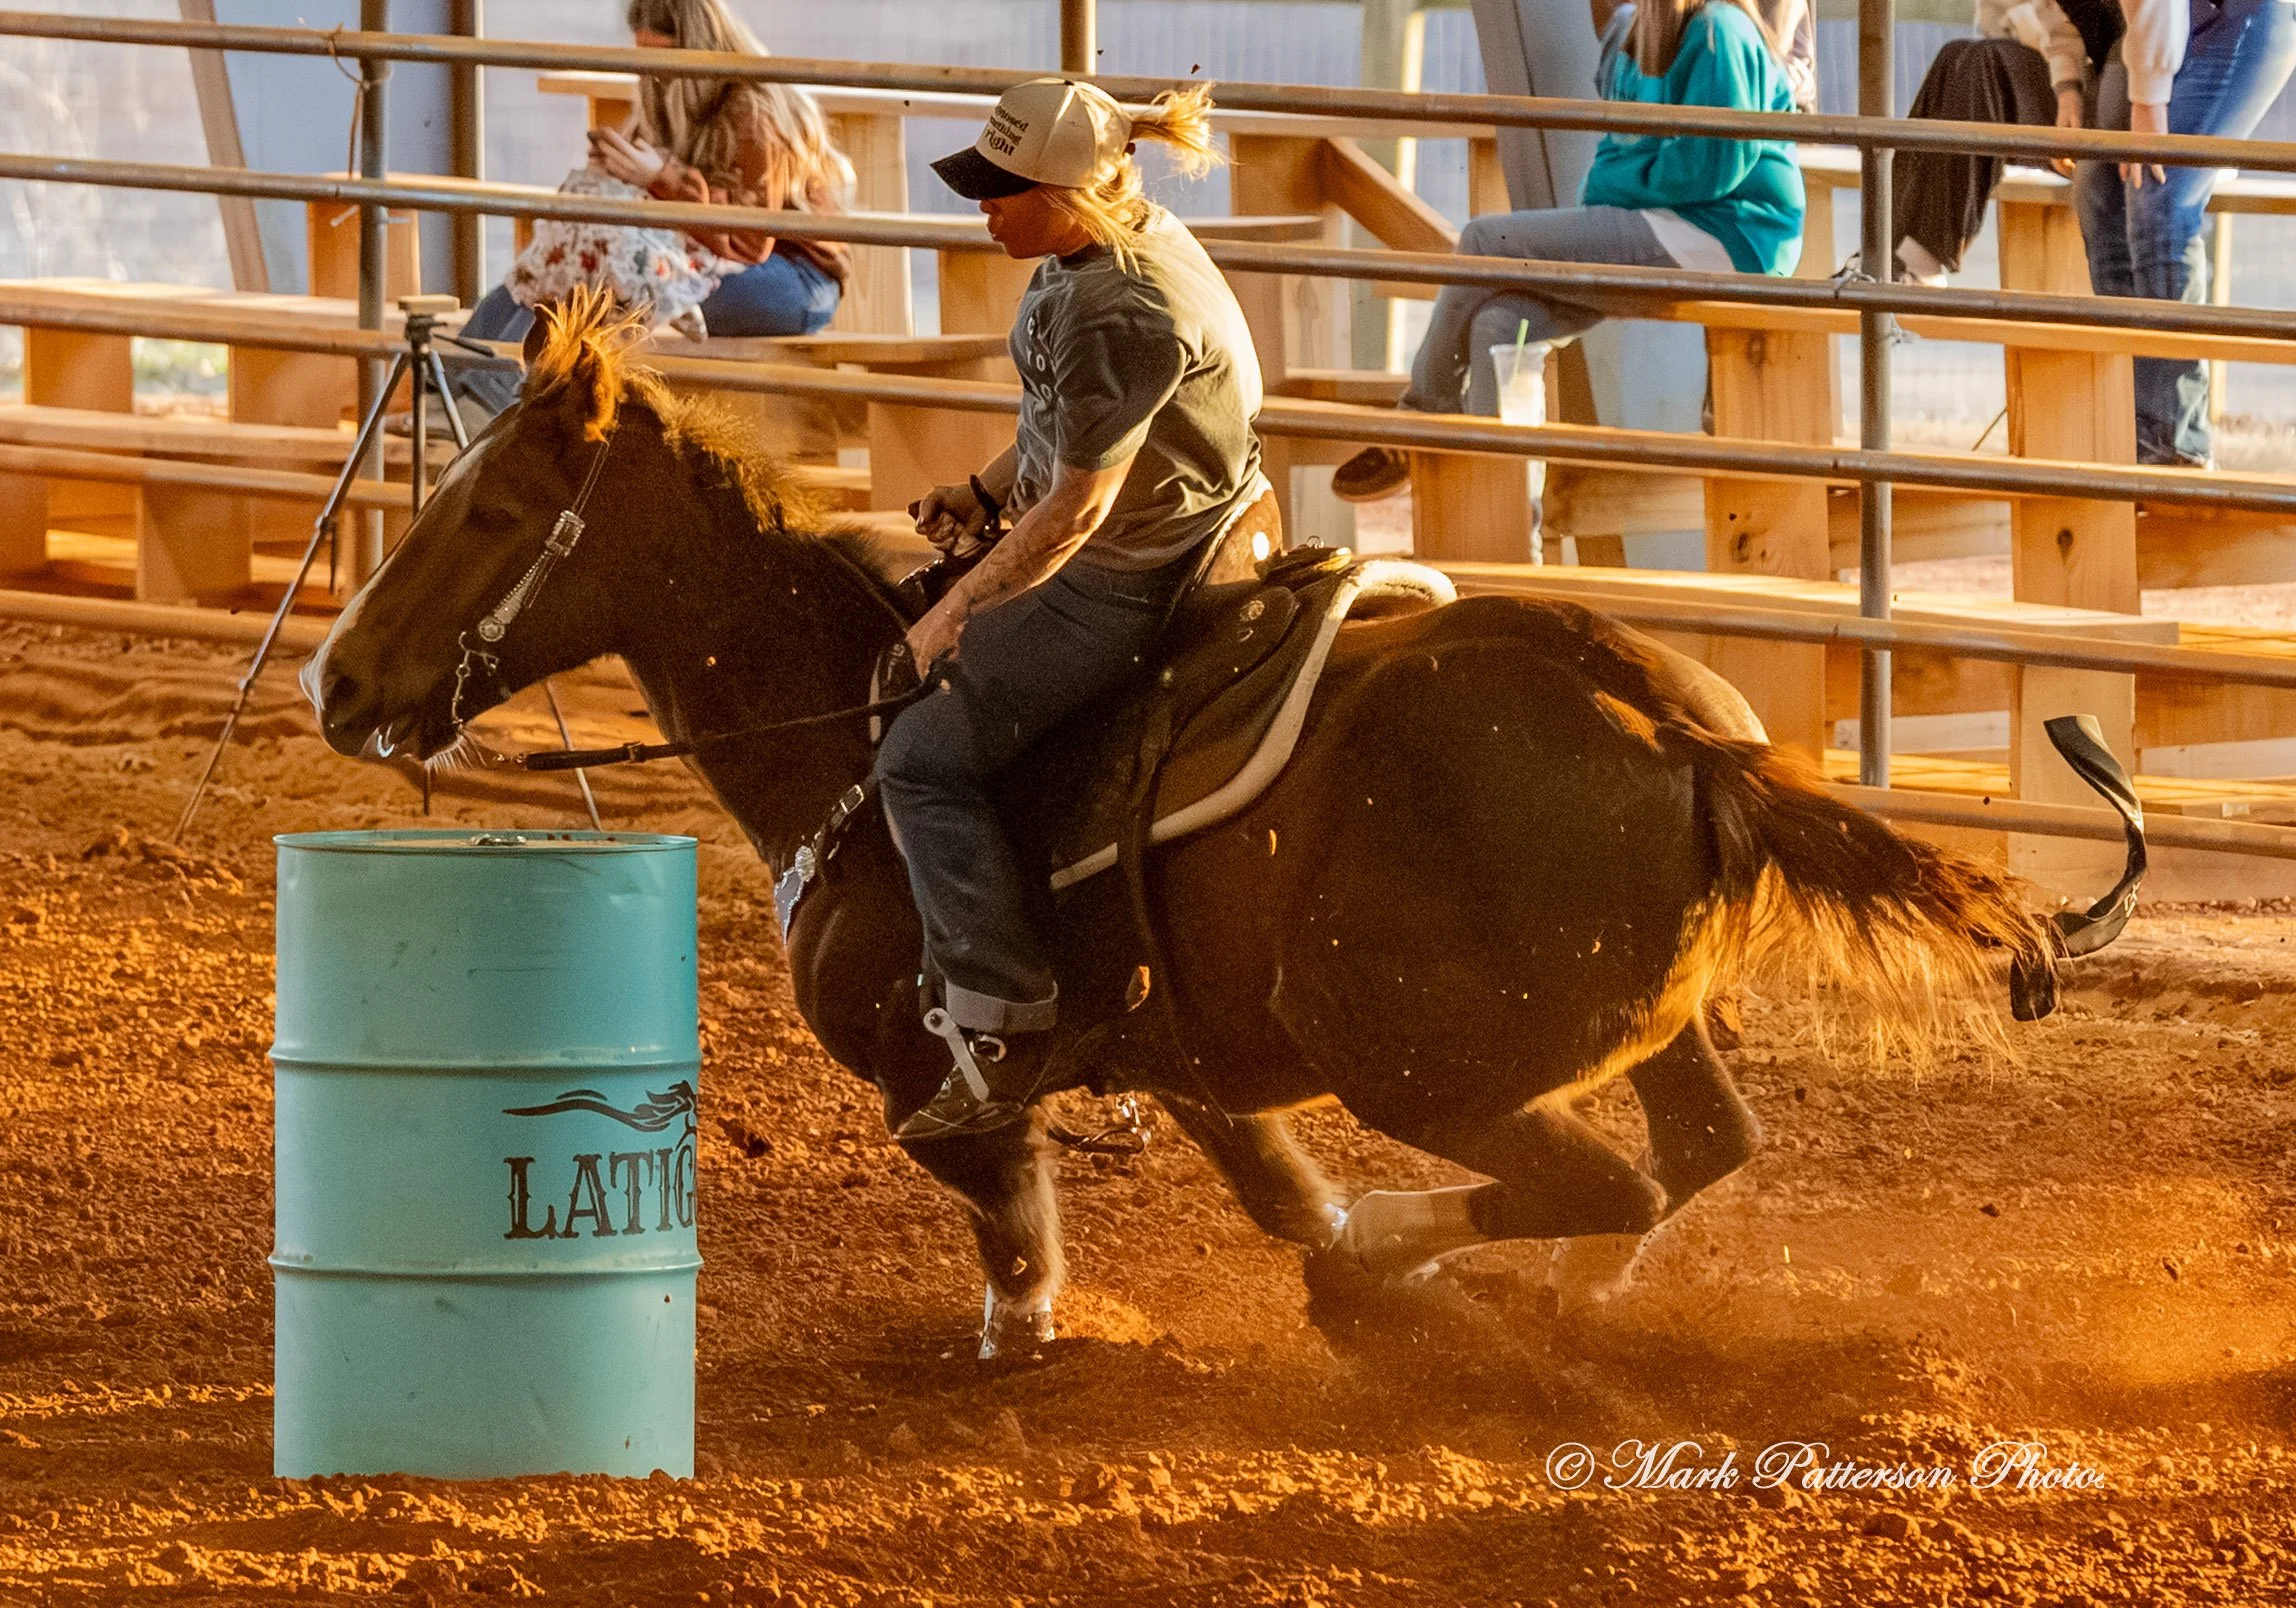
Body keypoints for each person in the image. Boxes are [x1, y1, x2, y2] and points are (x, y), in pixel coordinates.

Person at [877, 78, 1277, 1142]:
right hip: (1170, 520)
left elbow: (1080, 507)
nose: (984, 207)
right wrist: (980, 490)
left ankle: (1006, 1020)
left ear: (1066, 193)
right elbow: (1065, 424)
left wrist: (951, 611)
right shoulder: (1095, 249)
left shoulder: (1120, 300)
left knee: (919, 757)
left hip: (1136, 570)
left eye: (1004, 190)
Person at [1332, 0, 1805, 502]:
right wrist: (1607, 199)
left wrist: (1615, 188)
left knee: (1483, 241)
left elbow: (1712, 166)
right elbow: (1617, 146)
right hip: (1662, 223)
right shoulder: (1633, 30)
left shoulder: (1719, 29)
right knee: (1500, 325)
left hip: (1730, 235)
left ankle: (1421, 418)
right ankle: (1511, 544)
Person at [454, 0, 851, 409]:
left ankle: (496, 401)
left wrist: (660, 178)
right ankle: (452, 382)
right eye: (644, 59)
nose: (653, 75)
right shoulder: (664, 97)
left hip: (791, 277)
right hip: (709, 255)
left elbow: (749, 242)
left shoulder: (755, 108)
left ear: (697, 51)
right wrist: (613, 172)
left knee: (605, 282)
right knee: (561, 257)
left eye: (663, 61)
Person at [2076, 0, 2296, 466]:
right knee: (2099, 193)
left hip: (2237, 11)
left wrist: (2148, 99)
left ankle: (2177, 442)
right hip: (2162, 24)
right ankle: (2127, 424)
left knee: (2160, 196)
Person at [1891, 0, 2114, 285]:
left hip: (2095, 92)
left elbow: (2065, 31)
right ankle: (1888, 247)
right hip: (2059, 68)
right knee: (1955, 54)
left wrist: (2068, 89)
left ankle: (1923, 257)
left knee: (1984, 61)